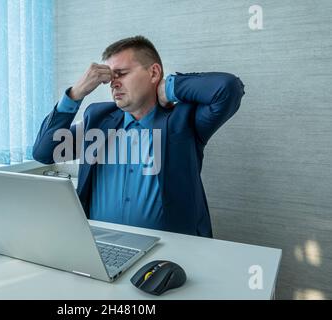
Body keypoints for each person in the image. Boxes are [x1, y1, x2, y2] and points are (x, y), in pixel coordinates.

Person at [33, 35, 245, 237]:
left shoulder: (184, 120)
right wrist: (76, 92)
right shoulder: (98, 120)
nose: (113, 83)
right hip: (99, 245)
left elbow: (228, 88)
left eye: (122, 74)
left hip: (173, 251)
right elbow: (44, 152)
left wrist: (168, 88)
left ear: (153, 73)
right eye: (110, 77)